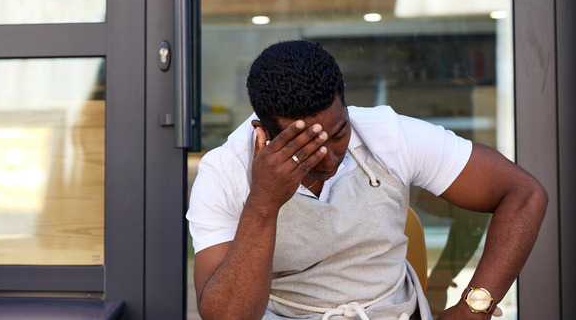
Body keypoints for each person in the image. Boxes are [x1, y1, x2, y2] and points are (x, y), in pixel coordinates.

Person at [186, 40, 547, 320]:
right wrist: (263, 202)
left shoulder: (388, 135)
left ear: (345, 103)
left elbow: (523, 193)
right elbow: (226, 316)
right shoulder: (226, 172)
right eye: (307, 147)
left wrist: (474, 308)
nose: (328, 160)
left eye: (338, 134)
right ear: (263, 132)